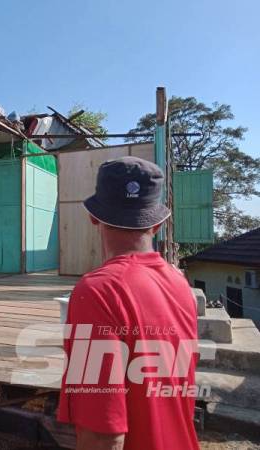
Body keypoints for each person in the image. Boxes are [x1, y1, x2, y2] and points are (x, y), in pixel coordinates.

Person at [57, 156, 199, 450]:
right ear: (157, 224)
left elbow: (103, 435)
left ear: (93, 217)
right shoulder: (180, 284)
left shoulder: (96, 292)